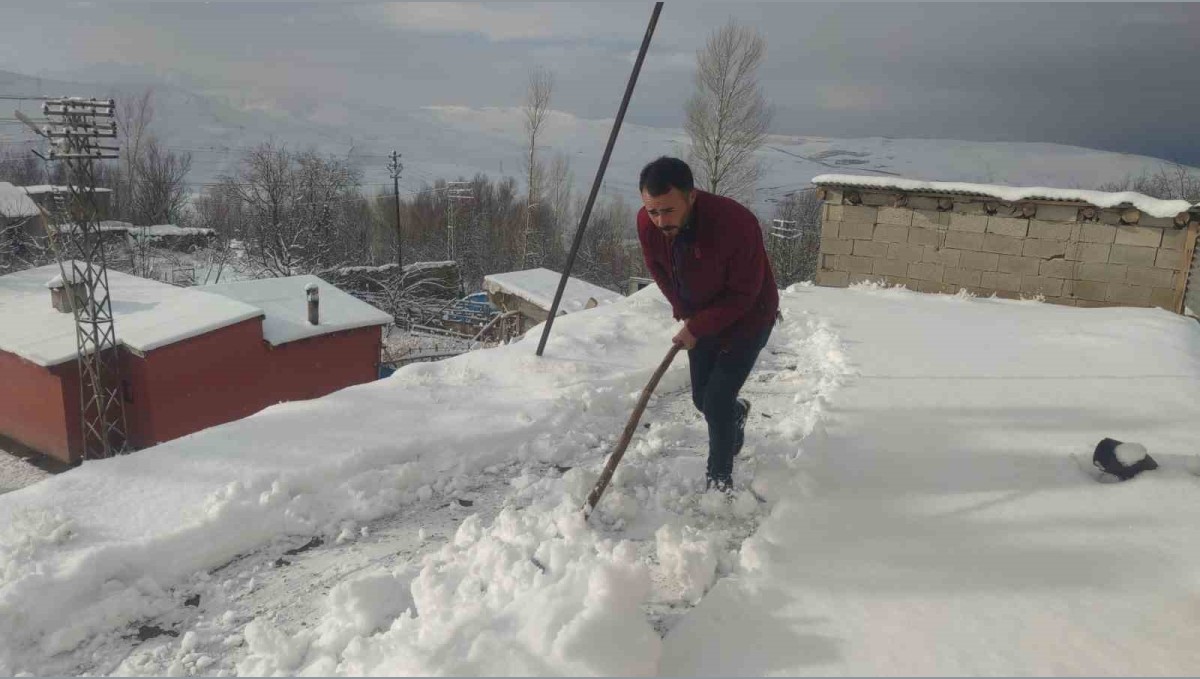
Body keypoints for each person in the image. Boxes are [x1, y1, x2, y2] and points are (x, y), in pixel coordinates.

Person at [635, 157, 779, 493]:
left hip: (750, 316)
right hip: (701, 316)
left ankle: (719, 479)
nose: (658, 220)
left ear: (692, 196)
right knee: (703, 398)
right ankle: (736, 412)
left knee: (716, 399)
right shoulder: (648, 223)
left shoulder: (736, 224)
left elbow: (744, 295)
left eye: (667, 211)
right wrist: (683, 309)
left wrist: (696, 327)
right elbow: (657, 267)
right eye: (652, 211)